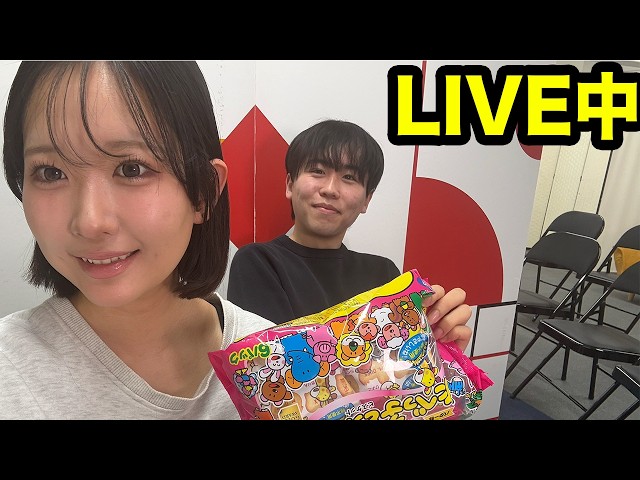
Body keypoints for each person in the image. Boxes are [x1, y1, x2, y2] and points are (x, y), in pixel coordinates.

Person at [0, 61, 471, 420]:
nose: (90, 222)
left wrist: (425, 361)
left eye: (132, 168)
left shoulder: (256, 341)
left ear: (204, 192)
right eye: (50, 172)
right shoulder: (11, 373)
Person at [227, 119, 472, 349]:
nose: (330, 189)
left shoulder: (383, 273)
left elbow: (399, 369)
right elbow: (273, 371)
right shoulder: (259, 262)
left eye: (349, 177)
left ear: (367, 200)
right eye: (317, 171)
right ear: (290, 184)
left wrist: (437, 352)